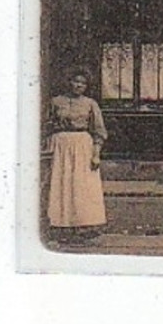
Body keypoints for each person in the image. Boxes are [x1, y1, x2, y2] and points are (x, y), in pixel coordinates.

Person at [45, 70, 107, 242]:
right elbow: (47, 124)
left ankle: (84, 225)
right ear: (69, 82)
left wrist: (96, 154)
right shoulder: (56, 102)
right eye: (75, 81)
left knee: (82, 185)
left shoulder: (90, 104)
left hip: (82, 145)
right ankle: (60, 225)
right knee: (61, 183)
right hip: (60, 145)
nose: (78, 85)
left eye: (82, 83)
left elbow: (99, 131)